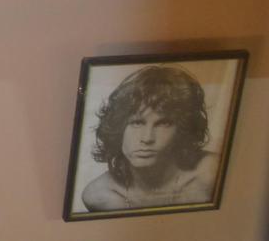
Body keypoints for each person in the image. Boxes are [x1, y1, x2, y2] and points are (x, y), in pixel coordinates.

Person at [82, 65, 218, 211]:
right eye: (136, 123)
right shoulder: (100, 194)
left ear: (182, 130)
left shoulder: (210, 173)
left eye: (163, 123)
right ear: (117, 129)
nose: (147, 138)